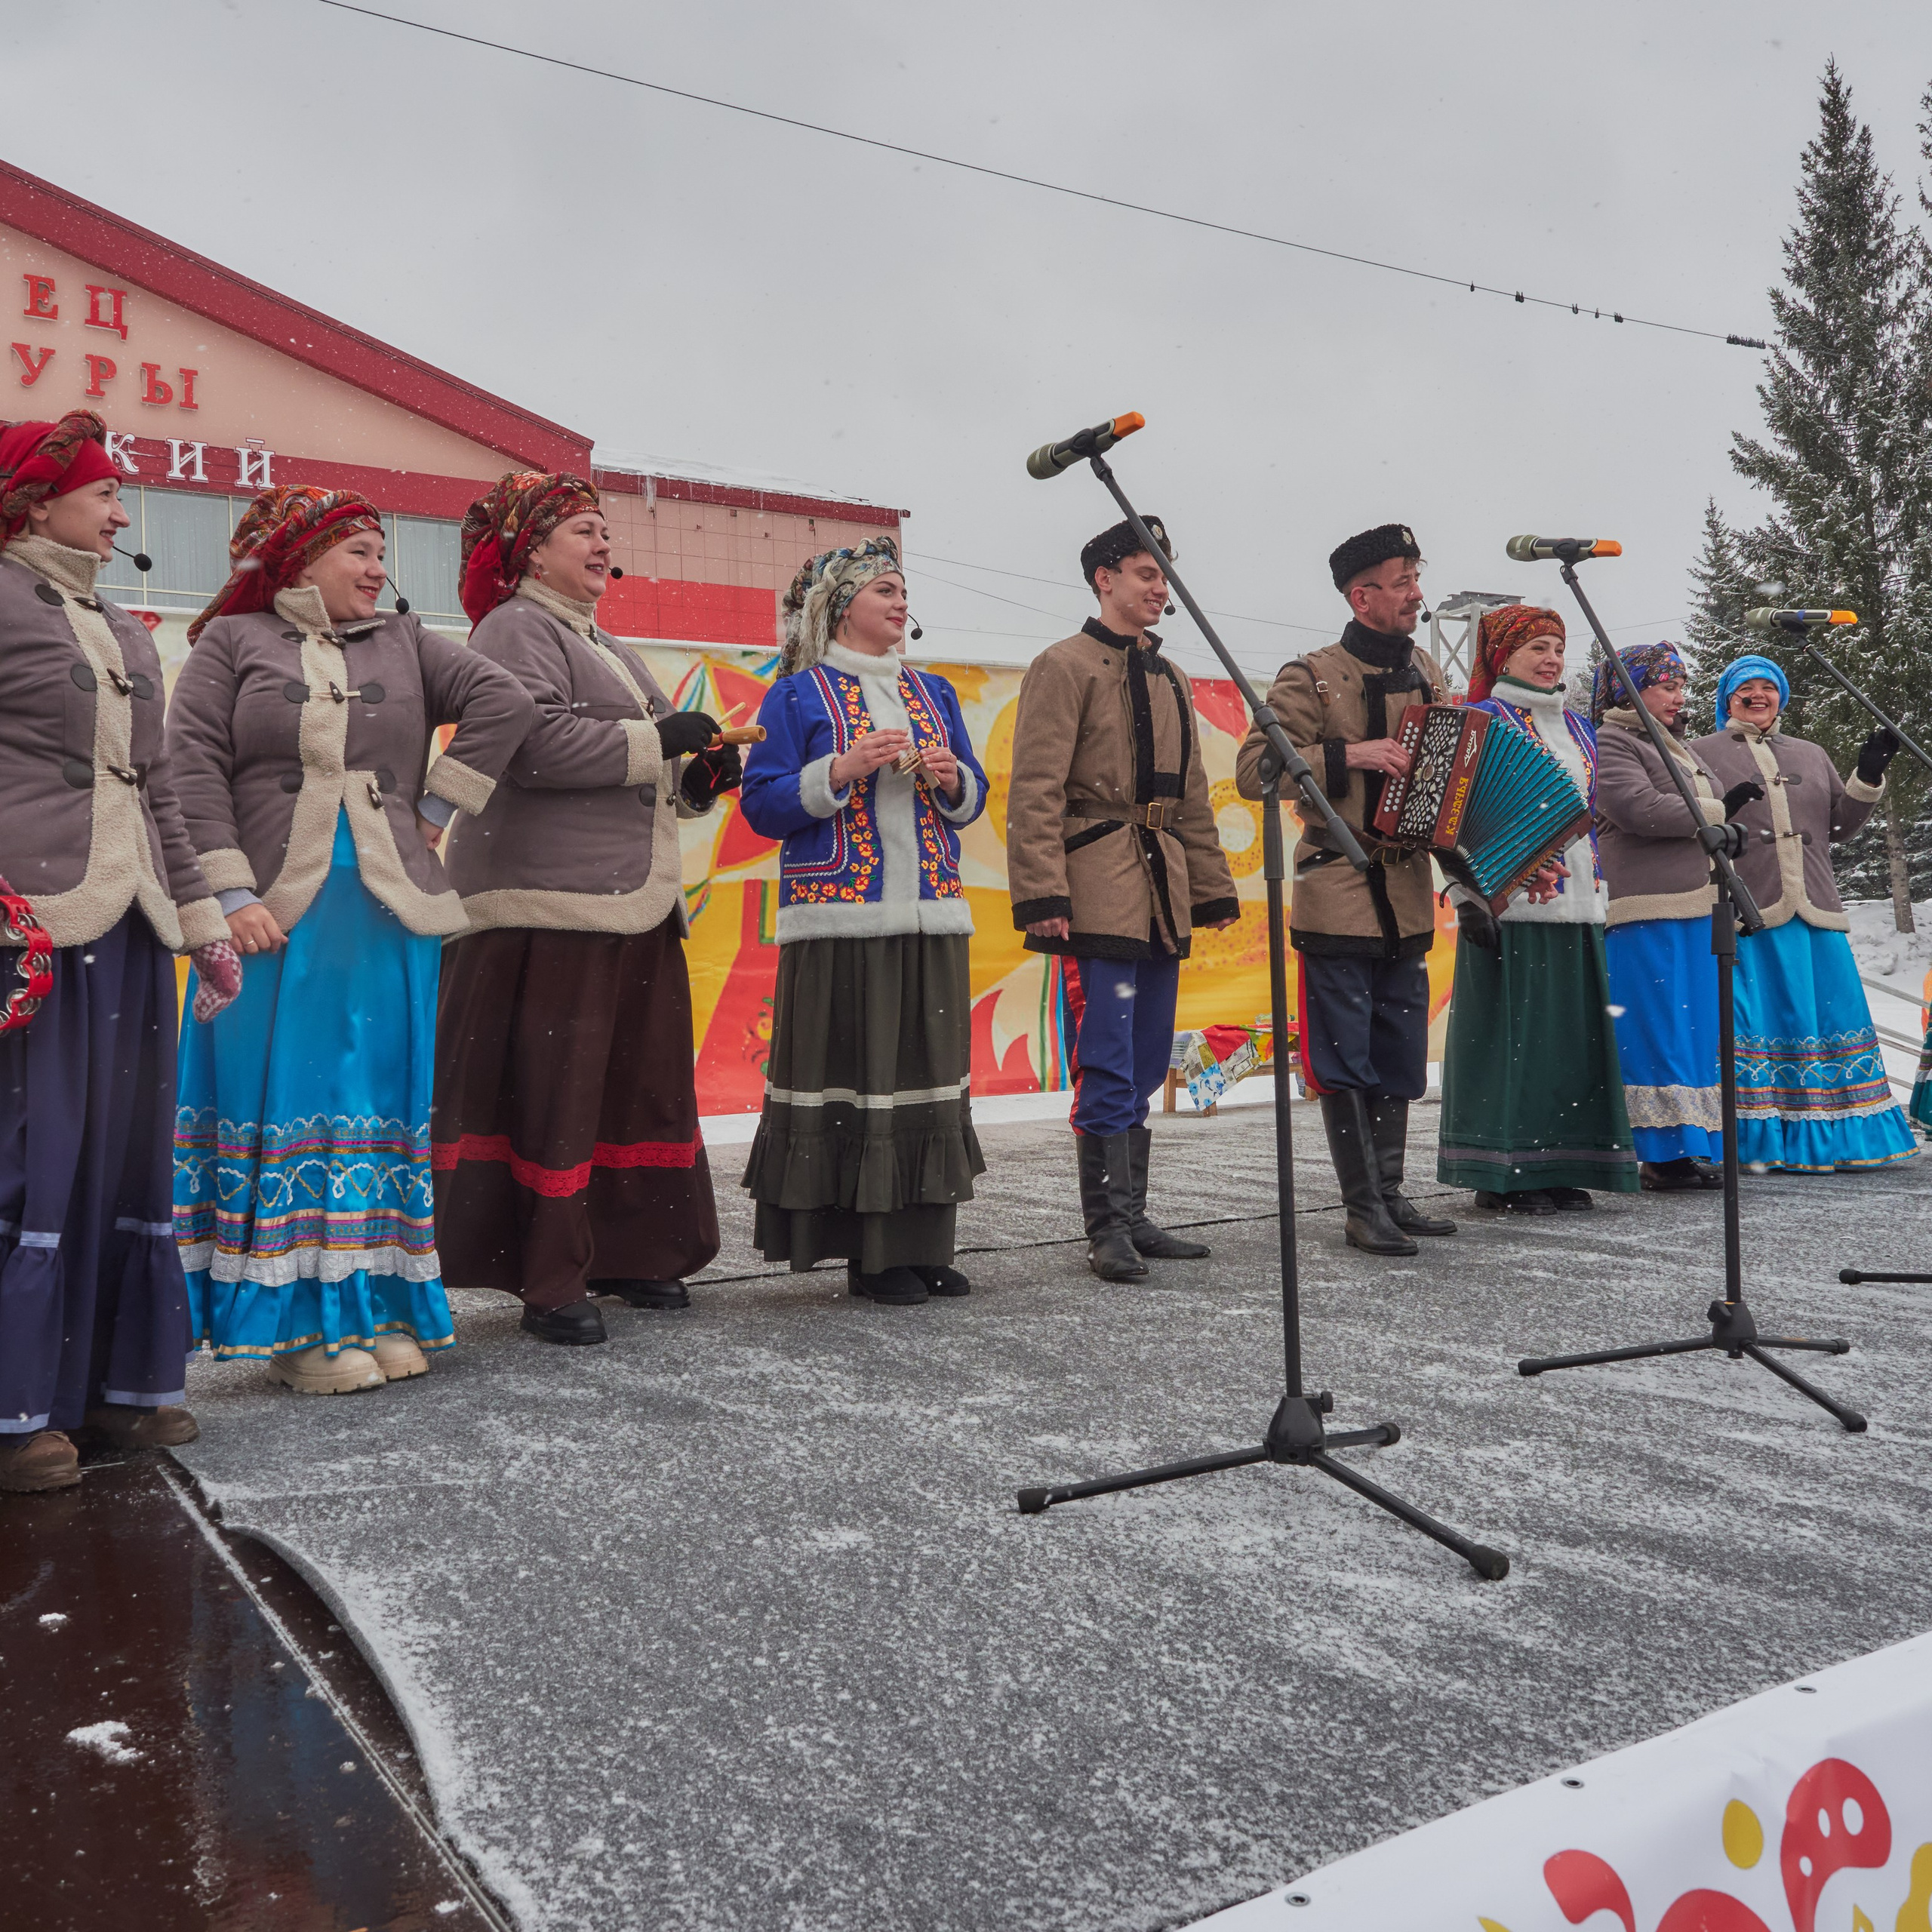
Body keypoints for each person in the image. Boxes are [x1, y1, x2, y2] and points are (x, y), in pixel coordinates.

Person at [168, 485, 534, 1392]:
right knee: (292, 1102)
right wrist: (229, 890)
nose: (379, 572)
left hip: (389, 907)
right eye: (359, 553)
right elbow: (188, 770)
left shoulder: (405, 643)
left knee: (377, 1103)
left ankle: (380, 1306)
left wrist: (437, 806)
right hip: (273, 920)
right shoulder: (230, 643)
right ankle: (298, 1327)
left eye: (382, 554)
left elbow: (504, 702)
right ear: (298, 558)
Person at [434, 473, 734, 1343]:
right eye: (584, 531)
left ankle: (633, 1251)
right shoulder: (512, 627)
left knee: (632, 1086)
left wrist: (698, 773)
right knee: (558, 1095)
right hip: (549, 904)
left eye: (606, 532)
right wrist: (656, 742)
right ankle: (550, 1274)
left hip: (626, 901)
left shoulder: (601, 639)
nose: (604, 545)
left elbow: (639, 762)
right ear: (531, 550)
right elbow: (529, 747)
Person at [0, 410, 238, 1491]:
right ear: (36, 501)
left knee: (120, 1158)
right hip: (31, 918)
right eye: (101, 493)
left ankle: (111, 1389)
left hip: (134, 920)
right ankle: (16, 1411)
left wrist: (204, 918)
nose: (119, 511)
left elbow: (161, 794)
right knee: (32, 1156)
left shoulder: (127, 629)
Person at [738, 539, 988, 1305]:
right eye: (886, 590)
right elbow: (759, 805)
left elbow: (971, 798)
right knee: (865, 1078)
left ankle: (922, 1241)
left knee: (925, 1078)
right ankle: (871, 1255)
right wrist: (839, 770)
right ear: (846, 606)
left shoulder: (935, 691)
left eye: (903, 591)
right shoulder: (798, 696)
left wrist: (952, 779)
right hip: (841, 922)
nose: (901, 603)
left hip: (930, 914)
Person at [1006, 518, 1238, 1282]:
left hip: (1159, 891)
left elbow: (1192, 797)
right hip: (1097, 886)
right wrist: (1042, 890)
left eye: (1163, 574)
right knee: (1106, 1059)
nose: (1158, 587)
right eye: (1144, 572)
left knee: (1142, 1061)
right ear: (1103, 578)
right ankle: (1105, 1224)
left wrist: (1208, 887)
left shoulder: (1171, 679)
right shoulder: (1063, 664)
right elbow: (1035, 790)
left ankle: (1134, 1214)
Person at [1235, 523, 1456, 1257]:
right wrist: (1346, 754)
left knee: (1397, 1051)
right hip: (1337, 886)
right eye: (1400, 582)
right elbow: (1252, 772)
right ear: (1361, 597)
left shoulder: (1427, 668)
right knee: (1344, 1056)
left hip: (1406, 891)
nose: (1415, 593)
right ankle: (1363, 1207)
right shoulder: (1311, 676)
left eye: (1415, 578)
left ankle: (1391, 1193)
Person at [1435, 605, 1639, 1212]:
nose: (1551, 660)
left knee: (1569, 1042)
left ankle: (1559, 1160)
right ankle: (1503, 1172)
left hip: (1578, 901)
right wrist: (1465, 895)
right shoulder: (1478, 720)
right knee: (1512, 1039)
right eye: (1536, 649)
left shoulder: (1578, 728)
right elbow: (1442, 821)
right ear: (1502, 657)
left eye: (1557, 648)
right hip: (1507, 906)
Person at [1690, 654, 1915, 1172]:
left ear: (1781, 698)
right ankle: (1759, 1143)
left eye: (1768, 687)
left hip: (1815, 907)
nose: (1757, 696)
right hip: (1748, 907)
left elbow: (1840, 826)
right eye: (1745, 688)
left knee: (1830, 1018)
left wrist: (1868, 776)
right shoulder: (1698, 754)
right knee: (1759, 1023)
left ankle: (1839, 1137)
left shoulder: (1811, 755)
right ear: (1727, 698)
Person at [1591, 642, 1742, 1192]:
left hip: (1695, 903)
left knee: (1694, 1029)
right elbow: (1638, 809)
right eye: (1666, 686)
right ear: (1629, 689)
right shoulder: (1610, 740)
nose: (1680, 697)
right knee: (1658, 1030)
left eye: (1681, 685)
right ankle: (1660, 1153)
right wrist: (1722, 814)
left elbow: (1692, 808)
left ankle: (1690, 1145)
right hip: (1646, 906)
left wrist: (1720, 814)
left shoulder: (1672, 744)